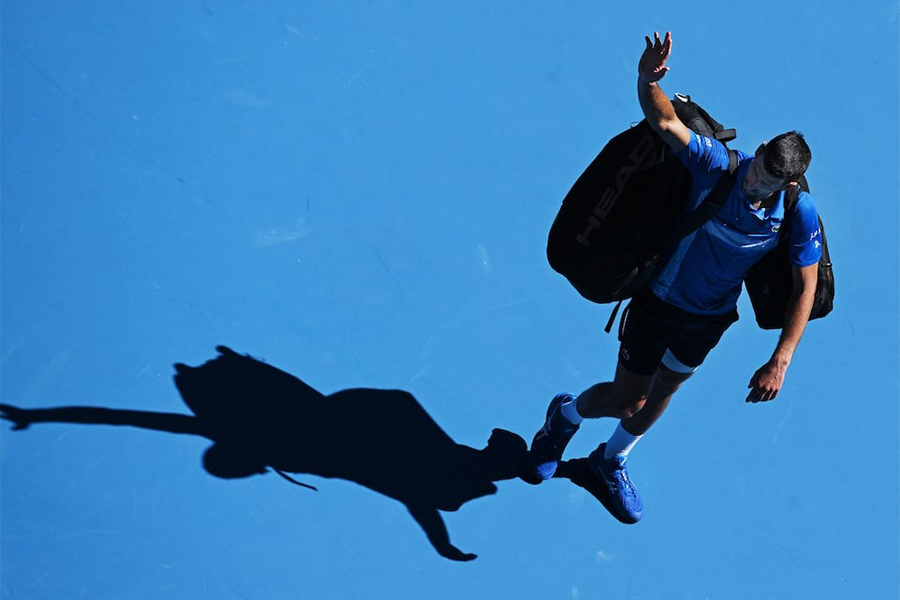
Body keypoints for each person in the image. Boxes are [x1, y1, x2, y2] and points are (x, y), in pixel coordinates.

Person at [530, 31, 822, 523]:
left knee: (660, 396)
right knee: (627, 401)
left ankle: (610, 462)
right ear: (764, 146)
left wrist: (781, 360)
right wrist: (647, 77)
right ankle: (565, 417)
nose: (757, 180)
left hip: (707, 320)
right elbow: (664, 119)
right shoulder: (717, 166)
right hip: (657, 304)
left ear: (789, 184)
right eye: (761, 166)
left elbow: (805, 286)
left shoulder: (797, 211)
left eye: (771, 179)